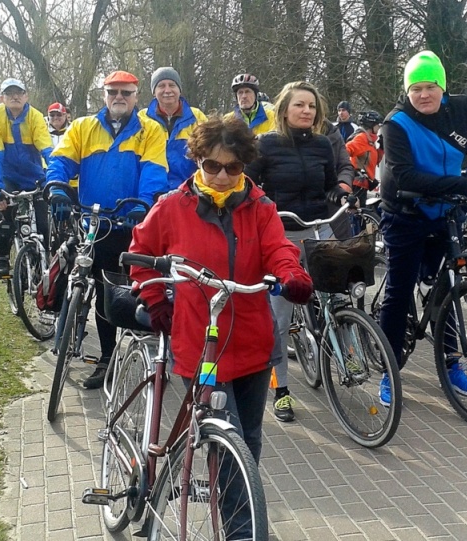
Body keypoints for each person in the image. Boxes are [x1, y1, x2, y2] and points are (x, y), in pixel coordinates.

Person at [128, 117, 311, 538]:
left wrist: (291, 273)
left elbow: (278, 249)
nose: (223, 175)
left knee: (247, 441)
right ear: (198, 162)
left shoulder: (261, 207)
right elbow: (140, 253)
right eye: (212, 166)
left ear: (244, 165)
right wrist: (155, 299)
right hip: (200, 342)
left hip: (250, 342)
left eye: (232, 167)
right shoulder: (173, 206)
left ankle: (241, 508)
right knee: (227, 446)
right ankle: (242, 531)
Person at [378, 50, 467, 403]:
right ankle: (389, 371)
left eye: (430, 86)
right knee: (399, 289)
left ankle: (452, 365)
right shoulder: (395, 124)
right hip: (404, 215)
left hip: (444, 214)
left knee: (449, 289)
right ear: (407, 91)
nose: (423, 94)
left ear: (443, 86)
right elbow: (405, 173)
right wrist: (462, 185)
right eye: (416, 88)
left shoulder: (462, 109)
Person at [47, 70, 169, 389]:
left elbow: (154, 172)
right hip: (94, 222)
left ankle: (141, 355)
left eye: (126, 93)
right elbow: (61, 160)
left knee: (126, 291)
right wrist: (58, 188)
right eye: (113, 91)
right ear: (104, 94)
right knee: (94, 285)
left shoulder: (150, 130)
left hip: (130, 222)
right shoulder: (84, 127)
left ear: (135, 96)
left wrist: (142, 206)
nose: (119, 97)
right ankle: (105, 356)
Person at [244, 80, 351, 422]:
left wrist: (338, 191)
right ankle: (281, 390)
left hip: (318, 230)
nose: (307, 111)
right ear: (284, 110)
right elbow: (247, 182)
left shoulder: (322, 145)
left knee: (339, 295)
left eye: (312, 106)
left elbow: (330, 181)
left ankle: (345, 348)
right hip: (281, 237)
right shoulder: (267, 144)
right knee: (279, 317)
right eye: (299, 105)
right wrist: (257, 206)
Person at [0, 77, 53, 277]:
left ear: (26, 96)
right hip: (8, 175)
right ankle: (2, 257)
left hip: (33, 175)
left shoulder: (35, 116)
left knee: (42, 222)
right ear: (1, 97)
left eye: (19, 92)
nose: (14, 96)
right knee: (8, 214)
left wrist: (54, 176)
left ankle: (44, 261)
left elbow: (47, 149)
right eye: (9, 93)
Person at [140, 67, 207, 190]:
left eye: (172, 85)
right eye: (161, 86)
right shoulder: (142, 118)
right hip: (153, 192)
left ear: (179, 90)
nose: (167, 90)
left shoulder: (197, 117)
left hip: (189, 191)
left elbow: (208, 155)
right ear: (154, 91)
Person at [345, 110, 383, 185]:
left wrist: (381, 148)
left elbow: (373, 161)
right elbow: (345, 151)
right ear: (371, 125)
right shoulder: (362, 138)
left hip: (363, 184)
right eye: (378, 124)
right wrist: (353, 170)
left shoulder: (370, 140)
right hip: (357, 184)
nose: (379, 127)